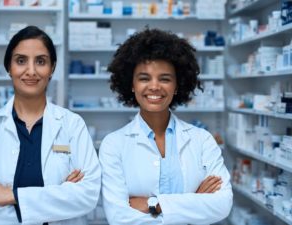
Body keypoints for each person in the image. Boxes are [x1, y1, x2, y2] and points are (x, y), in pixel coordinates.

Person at [0, 26, 101, 225]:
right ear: (9, 68)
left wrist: (10, 196)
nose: (31, 71)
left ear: (52, 68)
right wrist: (59, 198)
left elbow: (88, 195)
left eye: (41, 61)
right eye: (21, 61)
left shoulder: (72, 125)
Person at [99, 28, 233, 225]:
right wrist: (194, 202)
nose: (154, 86)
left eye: (165, 79)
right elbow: (119, 218)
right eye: (144, 78)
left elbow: (222, 204)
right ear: (132, 84)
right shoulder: (113, 145)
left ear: (177, 85)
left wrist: (155, 204)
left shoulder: (202, 140)